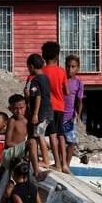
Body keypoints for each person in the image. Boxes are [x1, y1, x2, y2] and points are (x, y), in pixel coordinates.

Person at [41, 41, 70, 174]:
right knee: (61, 134)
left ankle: (57, 163)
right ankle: (65, 164)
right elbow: (67, 91)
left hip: (49, 107)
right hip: (61, 106)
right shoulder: (62, 71)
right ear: (57, 57)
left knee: (52, 134)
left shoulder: (42, 72)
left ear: (43, 57)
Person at [25, 54, 53, 181]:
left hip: (41, 112)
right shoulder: (45, 78)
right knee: (38, 135)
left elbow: (38, 97)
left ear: (31, 66)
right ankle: (41, 158)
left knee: (38, 135)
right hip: (48, 111)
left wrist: (35, 114)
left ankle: (46, 160)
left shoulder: (35, 80)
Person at [63, 54, 84, 168]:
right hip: (58, 115)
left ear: (78, 68)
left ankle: (67, 164)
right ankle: (61, 162)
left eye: (73, 67)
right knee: (60, 141)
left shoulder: (78, 83)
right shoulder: (62, 81)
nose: (70, 69)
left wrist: (78, 115)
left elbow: (79, 101)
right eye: (68, 66)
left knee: (71, 142)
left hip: (70, 116)